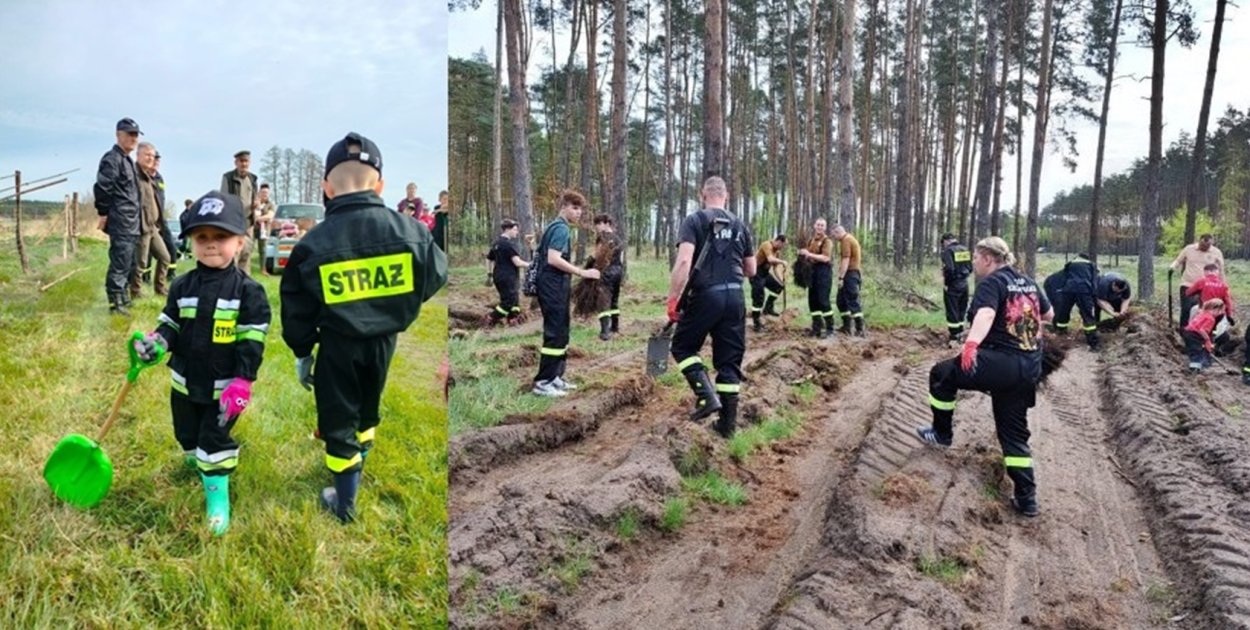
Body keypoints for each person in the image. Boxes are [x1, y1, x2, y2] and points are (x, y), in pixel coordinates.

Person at [280, 132, 447, 523]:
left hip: (337, 347)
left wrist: (303, 352)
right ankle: (360, 460)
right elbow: (435, 275)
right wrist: (394, 306)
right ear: (380, 186)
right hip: (385, 343)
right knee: (368, 407)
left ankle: (344, 504)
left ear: (326, 188)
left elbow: (297, 309)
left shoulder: (313, 244)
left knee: (338, 420)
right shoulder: (411, 231)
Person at [131, 191, 271, 535]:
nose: (210, 244)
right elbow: (171, 324)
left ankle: (217, 499)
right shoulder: (182, 286)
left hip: (225, 390)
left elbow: (252, 341)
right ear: (191, 241)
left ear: (240, 242)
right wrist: (158, 343)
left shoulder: (249, 292)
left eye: (221, 236)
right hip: (184, 382)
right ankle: (200, 465)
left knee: (213, 440)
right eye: (202, 236)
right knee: (187, 436)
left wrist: (244, 380)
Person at [916, 236, 1053, 518]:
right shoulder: (1027, 281)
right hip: (1029, 367)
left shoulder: (992, 282)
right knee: (1013, 433)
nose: (974, 263)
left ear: (988, 259)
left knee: (941, 373)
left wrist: (971, 344)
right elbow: (1049, 314)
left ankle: (941, 433)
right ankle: (1027, 499)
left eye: (976, 258)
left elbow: (987, 314)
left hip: (1000, 362)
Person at [667, 176, 756, 438]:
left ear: (703, 195)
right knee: (729, 361)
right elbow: (751, 269)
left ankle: (706, 396)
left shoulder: (694, 220)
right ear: (726, 196)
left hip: (706, 295)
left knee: (682, 347)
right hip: (735, 297)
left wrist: (673, 298)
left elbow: (684, 262)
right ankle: (727, 426)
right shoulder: (740, 224)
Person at [532, 190, 600, 397]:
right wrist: (582, 272)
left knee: (561, 331)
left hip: (556, 286)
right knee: (554, 332)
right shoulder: (561, 229)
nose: (578, 213)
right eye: (574, 208)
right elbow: (553, 259)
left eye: (580, 209)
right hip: (552, 286)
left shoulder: (555, 227)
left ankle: (555, 377)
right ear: (563, 207)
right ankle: (543, 382)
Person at [94, 117, 144, 316]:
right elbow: (103, 188)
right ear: (118, 135)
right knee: (120, 263)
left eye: (136, 135)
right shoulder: (112, 159)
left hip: (132, 222)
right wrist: (103, 213)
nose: (134, 138)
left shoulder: (127, 160)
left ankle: (123, 297)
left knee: (130, 263)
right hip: (121, 221)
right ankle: (115, 303)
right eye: (130, 134)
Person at [129, 142, 172, 298]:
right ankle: (135, 291)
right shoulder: (133, 175)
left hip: (153, 227)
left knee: (165, 257)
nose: (150, 158)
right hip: (142, 226)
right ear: (138, 155)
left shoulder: (149, 176)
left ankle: (160, 288)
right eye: (147, 155)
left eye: (152, 156)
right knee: (140, 261)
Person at [1171, 234, 1224, 330]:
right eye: (1203, 245)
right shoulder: (1189, 249)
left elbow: (1221, 270)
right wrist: (1172, 267)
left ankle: (1200, 330)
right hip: (1188, 284)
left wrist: (1222, 285)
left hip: (1207, 286)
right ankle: (1183, 330)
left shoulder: (1216, 252)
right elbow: (1178, 261)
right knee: (1186, 308)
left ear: (1211, 244)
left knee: (1204, 310)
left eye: (1208, 246)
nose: (1205, 247)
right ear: (1199, 241)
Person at [220, 150, 259, 276]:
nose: (244, 164)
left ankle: (244, 281)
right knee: (234, 253)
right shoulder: (228, 177)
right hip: (234, 222)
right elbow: (223, 200)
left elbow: (255, 197)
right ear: (236, 162)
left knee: (246, 253)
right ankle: (231, 279)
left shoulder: (253, 179)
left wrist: (256, 202)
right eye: (241, 161)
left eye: (246, 161)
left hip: (248, 222)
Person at [486, 218, 528, 324]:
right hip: (508, 277)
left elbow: (489, 259)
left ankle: (513, 320)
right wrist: (531, 265)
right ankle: (490, 318)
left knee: (514, 300)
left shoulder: (496, 243)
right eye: (515, 229)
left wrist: (489, 274)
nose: (517, 232)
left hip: (498, 276)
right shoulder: (508, 245)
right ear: (507, 229)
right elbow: (517, 262)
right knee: (508, 302)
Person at [799, 219, 835, 338]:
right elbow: (808, 255)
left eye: (822, 225)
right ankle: (816, 328)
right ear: (814, 226)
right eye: (818, 225)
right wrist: (802, 254)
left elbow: (826, 258)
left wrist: (809, 254)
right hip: (812, 272)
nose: (820, 227)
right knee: (813, 300)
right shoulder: (811, 240)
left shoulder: (827, 241)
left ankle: (830, 329)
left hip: (823, 272)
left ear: (825, 227)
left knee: (823, 300)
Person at [592, 214, 625, 340]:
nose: (597, 227)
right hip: (618, 271)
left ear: (607, 223)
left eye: (599, 223)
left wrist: (590, 265)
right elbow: (621, 258)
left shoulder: (602, 238)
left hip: (607, 272)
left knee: (603, 300)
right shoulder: (618, 239)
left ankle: (605, 331)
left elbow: (598, 255)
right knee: (614, 300)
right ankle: (615, 327)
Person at [1060, 253, 1100, 350]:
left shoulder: (1069, 264)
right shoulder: (1091, 265)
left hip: (1069, 290)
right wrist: (1093, 295)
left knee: (1063, 313)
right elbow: (1094, 281)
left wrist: (1062, 289)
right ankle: (1093, 343)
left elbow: (1063, 278)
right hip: (1084, 291)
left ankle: (1060, 335)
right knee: (1088, 316)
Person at [939, 233, 974, 344]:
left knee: (952, 309)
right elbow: (970, 268)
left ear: (945, 241)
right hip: (964, 283)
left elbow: (949, 269)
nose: (943, 246)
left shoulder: (948, 251)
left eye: (943, 243)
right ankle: (960, 332)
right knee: (961, 308)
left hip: (953, 284)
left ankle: (954, 336)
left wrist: (947, 283)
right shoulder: (964, 249)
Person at [749, 234, 787, 332]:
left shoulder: (777, 252)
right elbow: (770, 259)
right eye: (783, 245)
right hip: (756, 273)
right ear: (779, 241)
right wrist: (782, 262)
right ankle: (756, 323)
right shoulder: (767, 245)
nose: (782, 248)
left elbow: (775, 268)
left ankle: (768, 308)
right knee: (759, 297)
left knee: (778, 287)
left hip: (765, 274)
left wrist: (781, 280)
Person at [832, 224, 865, 336]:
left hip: (850, 274)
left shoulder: (846, 240)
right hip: (850, 273)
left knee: (852, 300)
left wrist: (841, 277)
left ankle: (860, 328)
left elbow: (846, 259)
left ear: (837, 232)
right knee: (841, 301)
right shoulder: (848, 239)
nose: (834, 238)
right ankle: (847, 326)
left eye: (834, 235)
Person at [152, 151, 178, 285]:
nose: (156, 162)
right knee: (145, 254)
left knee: (171, 247)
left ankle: (171, 274)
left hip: (161, 219)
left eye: (158, 160)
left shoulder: (159, 178)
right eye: (154, 159)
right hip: (148, 220)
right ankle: (145, 278)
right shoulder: (143, 176)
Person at [1183, 298, 1225, 373]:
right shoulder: (1211, 319)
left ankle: (1198, 365)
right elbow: (1202, 330)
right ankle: (1195, 369)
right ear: (1215, 309)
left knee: (1194, 350)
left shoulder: (1203, 313)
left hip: (1188, 333)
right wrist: (1207, 340)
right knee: (1197, 351)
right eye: (1220, 311)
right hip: (1194, 335)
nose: (1221, 313)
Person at [254, 184, 276, 276]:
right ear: (259, 192)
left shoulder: (270, 205)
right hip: (252, 228)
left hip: (264, 230)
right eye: (263, 192)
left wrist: (258, 219)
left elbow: (270, 216)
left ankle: (263, 269)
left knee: (263, 250)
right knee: (248, 248)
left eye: (266, 192)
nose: (265, 194)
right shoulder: (254, 202)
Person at [1042, 269, 1069, 334]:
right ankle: (1057, 327)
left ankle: (1058, 327)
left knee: (1060, 305)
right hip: (1052, 283)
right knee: (1059, 305)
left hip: (1058, 283)